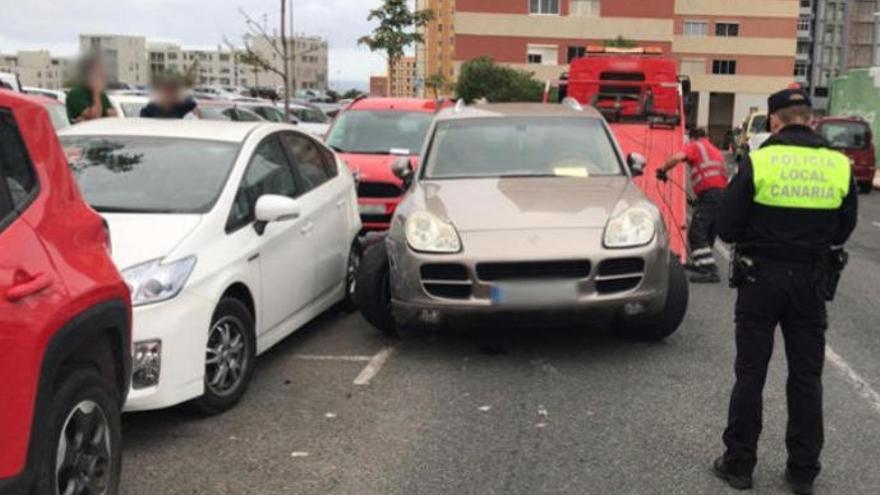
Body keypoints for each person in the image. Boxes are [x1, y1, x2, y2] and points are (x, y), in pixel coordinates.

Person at [712, 88, 858, 495]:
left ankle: (739, 466)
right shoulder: (839, 164)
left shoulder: (759, 160)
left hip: (760, 279)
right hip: (811, 281)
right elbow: (844, 229)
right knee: (807, 378)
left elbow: (726, 226)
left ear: (775, 121)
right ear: (809, 119)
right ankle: (802, 472)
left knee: (751, 374)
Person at [656, 127, 729, 283]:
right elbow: (715, 175)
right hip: (721, 195)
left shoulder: (696, 145)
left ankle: (709, 270)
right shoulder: (714, 150)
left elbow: (677, 158)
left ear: (692, 137)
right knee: (708, 232)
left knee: (697, 232)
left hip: (710, 194)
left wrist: (663, 170)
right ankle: (702, 263)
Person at [66, 54, 117, 122]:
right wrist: (96, 94)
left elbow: (113, 116)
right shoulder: (76, 93)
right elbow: (95, 116)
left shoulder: (101, 93)